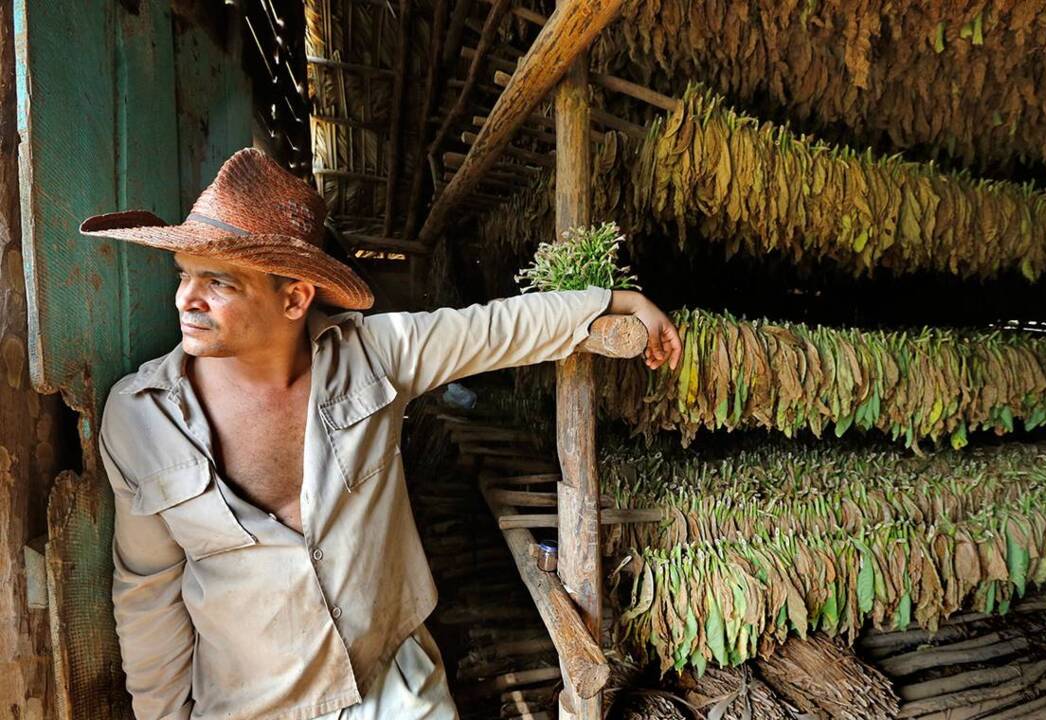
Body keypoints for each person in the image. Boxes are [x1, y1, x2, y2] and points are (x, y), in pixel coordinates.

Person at [81, 148, 682, 720]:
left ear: (294, 298)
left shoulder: (373, 358)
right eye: (185, 274)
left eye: (219, 283)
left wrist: (616, 300)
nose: (187, 299)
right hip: (250, 701)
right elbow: (148, 593)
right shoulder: (141, 419)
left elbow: (493, 329)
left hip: (394, 684)